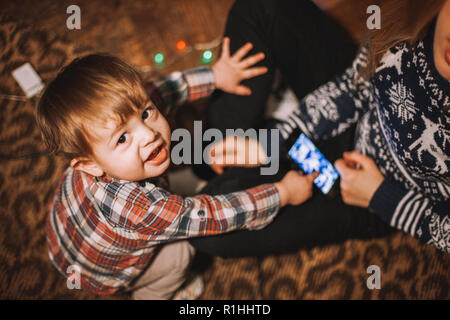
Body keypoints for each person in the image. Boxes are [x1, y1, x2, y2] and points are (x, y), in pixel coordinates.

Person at [36, 42, 320, 299]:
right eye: (122, 138)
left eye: (145, 114)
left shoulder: (96, 153)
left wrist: (216, 75)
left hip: (62, 236)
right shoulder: (142, 209)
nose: (148, 134)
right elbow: (214, 214)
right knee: (181, 254)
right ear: (89, 165)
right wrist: (282, 192)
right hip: (102, 272)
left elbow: (161, 91)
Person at [189, 0, 450, 256]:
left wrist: (382, 197)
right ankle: (224, 152)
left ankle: (218, 154)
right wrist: (273, 143)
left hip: (358, 192)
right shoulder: (415, 13)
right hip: (349, 113)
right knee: (261, 8)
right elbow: (356, 84)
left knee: (206, 228)